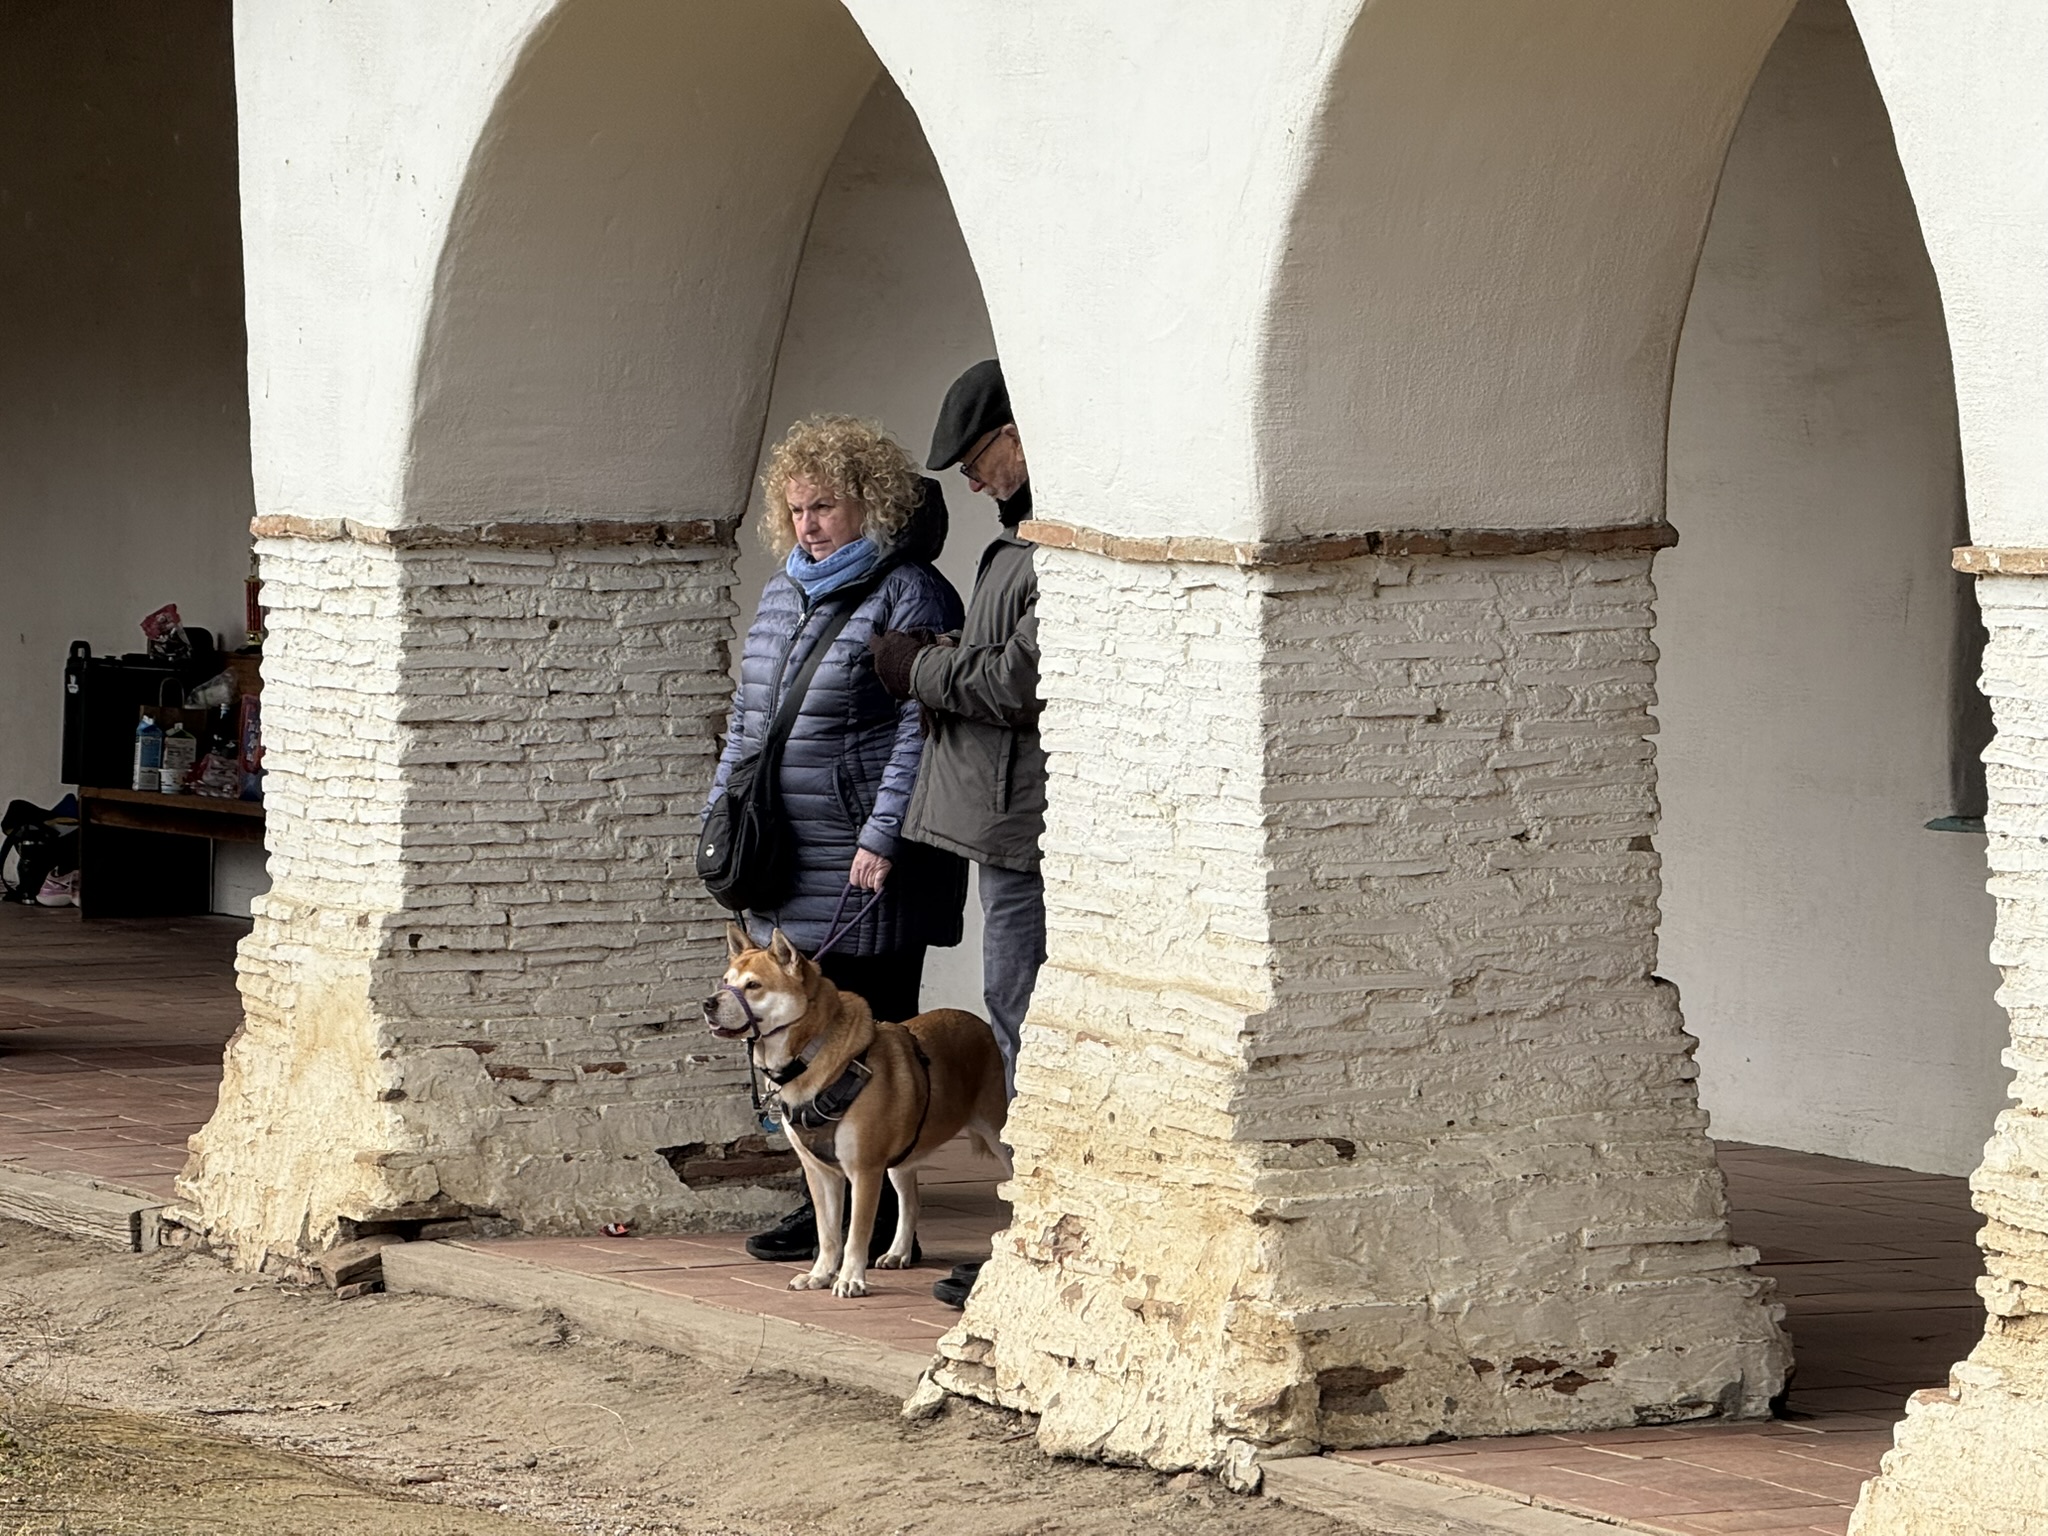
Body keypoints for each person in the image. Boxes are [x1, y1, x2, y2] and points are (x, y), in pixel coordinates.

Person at [709, 415, 967, 1265]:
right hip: (786, 850)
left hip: (866, 854)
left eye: (827, 505)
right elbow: (750, 722)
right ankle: (821, 1201)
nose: (810, 524)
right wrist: (722, 819)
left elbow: (918, 730)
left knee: (873, 1043)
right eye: (799, 509)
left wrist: (884, 833)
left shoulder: (911, 593)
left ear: (871, 503)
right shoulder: (786, 591)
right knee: (798, 1038)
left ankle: (887, 1216)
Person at [868, 360, 1046, 1309]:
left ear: (1023, 435)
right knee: (1010, 1005)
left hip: (1022, 821)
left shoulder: (1043, 553)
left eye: (980, 458)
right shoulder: (1008, 548)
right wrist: (942, 660)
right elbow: (984, 659)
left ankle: (1034, 1231)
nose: (972, 481)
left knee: (1019, 1015)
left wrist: (919, 668)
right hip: (997, 819)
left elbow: (1014, 682)